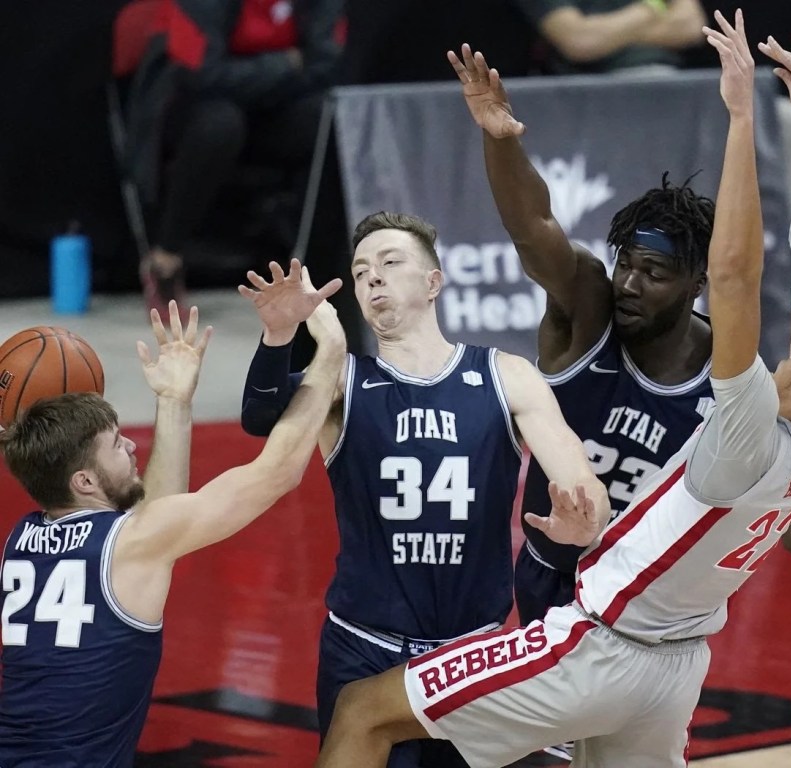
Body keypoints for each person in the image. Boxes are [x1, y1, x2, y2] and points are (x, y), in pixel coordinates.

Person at [314, 12, 791, 767]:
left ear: (696, 284)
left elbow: (764, 279)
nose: (630, 283)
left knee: (376, 717)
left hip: (607, 623)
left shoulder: (740, 391)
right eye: (627, 264)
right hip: (575, 600)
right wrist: (501, 139)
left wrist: (748, 115)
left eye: (654, 272)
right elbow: (537, 229)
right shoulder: (599, 317)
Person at [238, 223, 608, 767]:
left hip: (470, 652)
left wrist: (585, 522)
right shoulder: (343, 382)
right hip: (364, 647)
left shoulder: (506, 375)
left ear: (434, 282)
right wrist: (277, 338)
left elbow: (582, 484)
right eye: (361, 272)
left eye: (389, 263)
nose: (372, 279)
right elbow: (259, 418)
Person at [0, 291, 345, 766]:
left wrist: (174, 401)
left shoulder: (22, 540)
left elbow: (158, 518)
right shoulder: (130, 543)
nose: (130, 447)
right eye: (116, 445)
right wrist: (329, 356)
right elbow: (278, 471)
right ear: (83, 481)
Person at [127, 0, 358, 341]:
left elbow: (328, 64)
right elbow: (202, 73)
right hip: (197, 108)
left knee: (327, 118)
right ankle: (164, 260)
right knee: (220, 126)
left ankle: (315, 260)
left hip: (274, 103)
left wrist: (270, 72)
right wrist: (285, 63)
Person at [514, 0, 707, 75]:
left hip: (669, 76)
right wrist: (653, 7)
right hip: (592, 87)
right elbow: (579, 41)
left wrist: (607, 34)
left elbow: (691, 26)